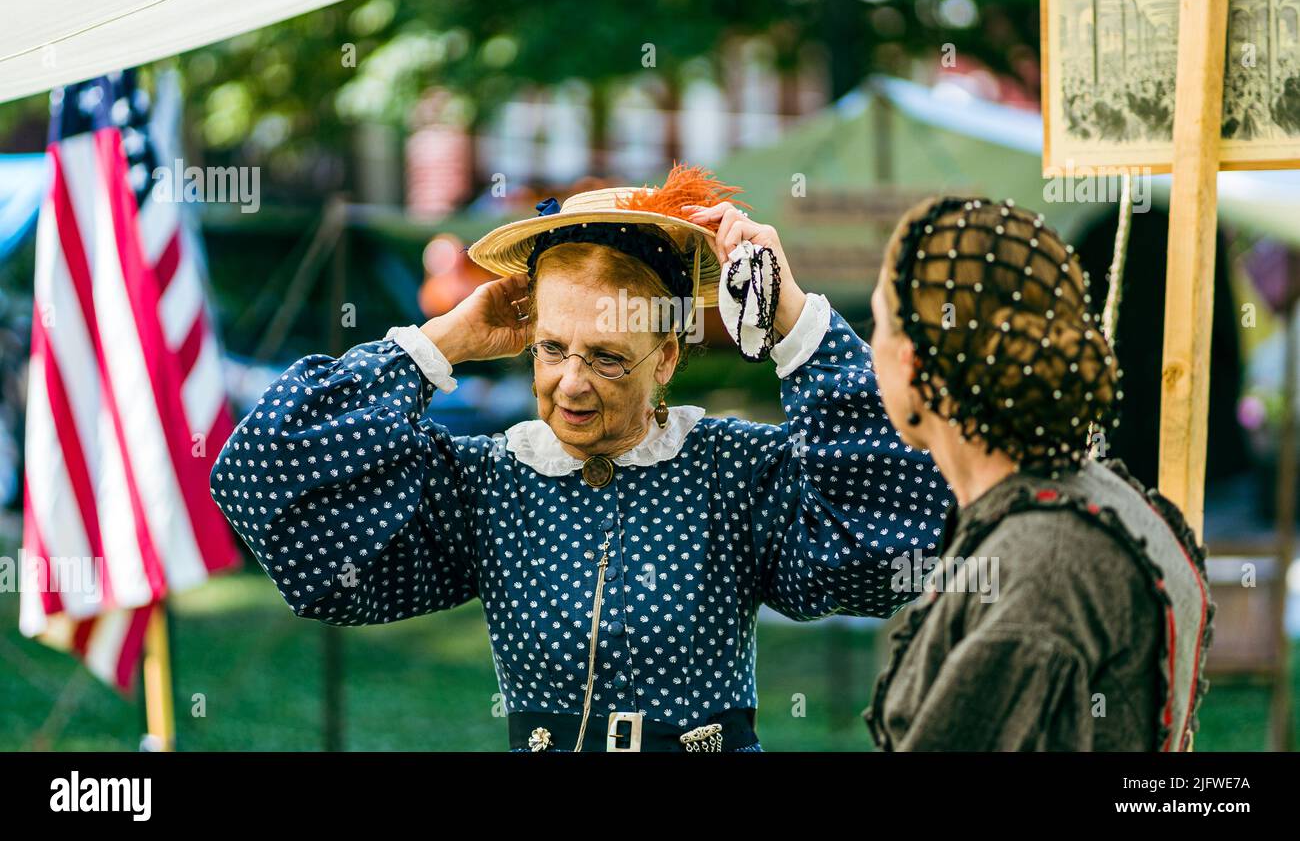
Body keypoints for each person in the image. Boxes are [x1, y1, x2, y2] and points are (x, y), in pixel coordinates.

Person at [209, 163, 951, 752]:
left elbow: (889, 535)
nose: (570, 384)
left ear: (666, 357)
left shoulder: (732, 469)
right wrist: (445, 341)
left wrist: (792, 314)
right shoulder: (490, 481)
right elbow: (268, 476)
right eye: (551, 349)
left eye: (607, 359)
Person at [861, 195, 1215, 751]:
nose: (870, 349)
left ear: (910, 360)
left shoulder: (1040, 568)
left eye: (877, 324)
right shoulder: (1100, 497)